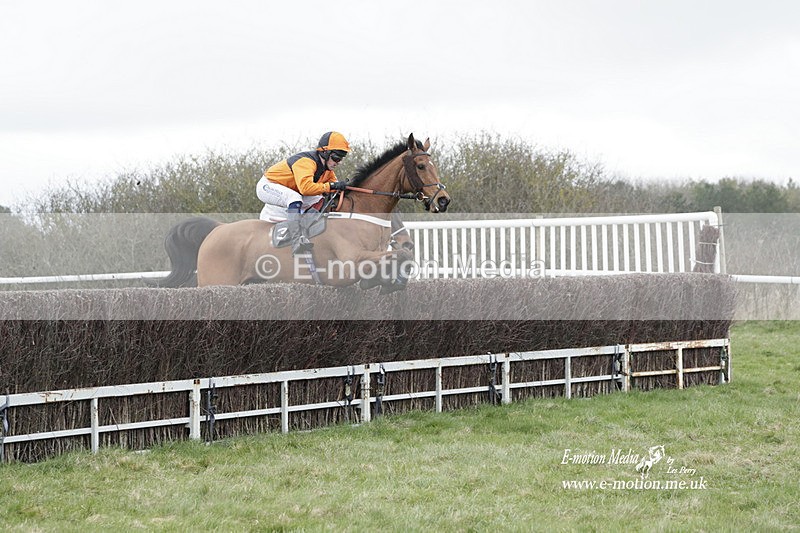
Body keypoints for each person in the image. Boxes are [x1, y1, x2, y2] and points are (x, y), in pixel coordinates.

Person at [256, 131, 350, 254]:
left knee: (320, 199)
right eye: (336, 158)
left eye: (341, 159)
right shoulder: (306, 162)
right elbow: (306, 189)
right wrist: (331, 186)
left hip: (289, 189)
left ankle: (305, 229)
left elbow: (334, 189)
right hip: (268, 186)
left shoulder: (327, 171)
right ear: (325, 153)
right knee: (294, 198)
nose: (338, 162)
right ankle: (296, 241)